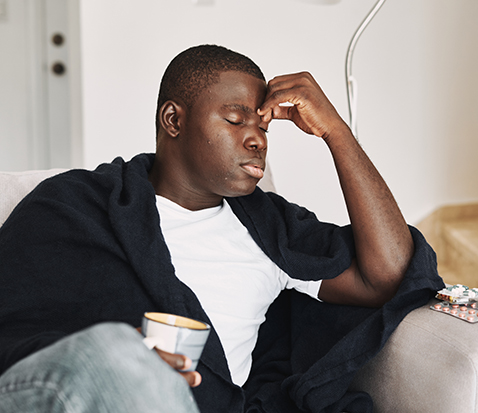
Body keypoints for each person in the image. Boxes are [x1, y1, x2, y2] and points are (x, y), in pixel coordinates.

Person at [0, 45, 444, 412]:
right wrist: (125, 359)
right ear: (173, 121)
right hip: (64, 394)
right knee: (119, 354)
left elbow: (386, 275)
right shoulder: (73, 205)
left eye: (262, 125)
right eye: (235, 120)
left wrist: (335, 132)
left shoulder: (271, 232)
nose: (257, 138)